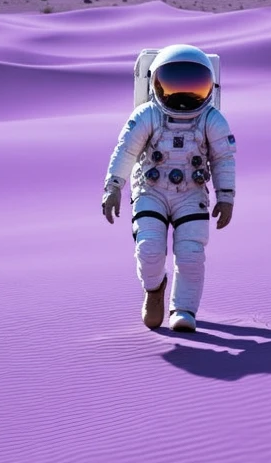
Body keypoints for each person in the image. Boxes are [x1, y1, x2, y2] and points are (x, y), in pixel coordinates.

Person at [101, 44, 236, 332]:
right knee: (149, 249)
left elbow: (223, 158)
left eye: (193, 86)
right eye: (175, 85)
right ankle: (155, 288)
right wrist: (113, 186)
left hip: (191, 193)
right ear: (156, 83)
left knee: (190, 254)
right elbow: (126, 150)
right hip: (151, 191)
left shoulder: (211, 119)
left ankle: (184, 310)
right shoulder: (147, 114)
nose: (184, 97)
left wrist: (226, 196)